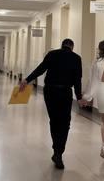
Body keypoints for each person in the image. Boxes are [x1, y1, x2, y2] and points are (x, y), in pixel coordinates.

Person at [20, 39, 83, 169]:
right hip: (65, 92)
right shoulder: (76, 58)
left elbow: (41, 69)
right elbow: (77, 80)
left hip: (50, 91)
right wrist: (79, 97)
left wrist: (27, 80)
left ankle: (56, 150)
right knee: (65, 122)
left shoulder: (52, 54)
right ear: (72, 46)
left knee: (54, 120)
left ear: (62, 45)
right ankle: (59, 152)